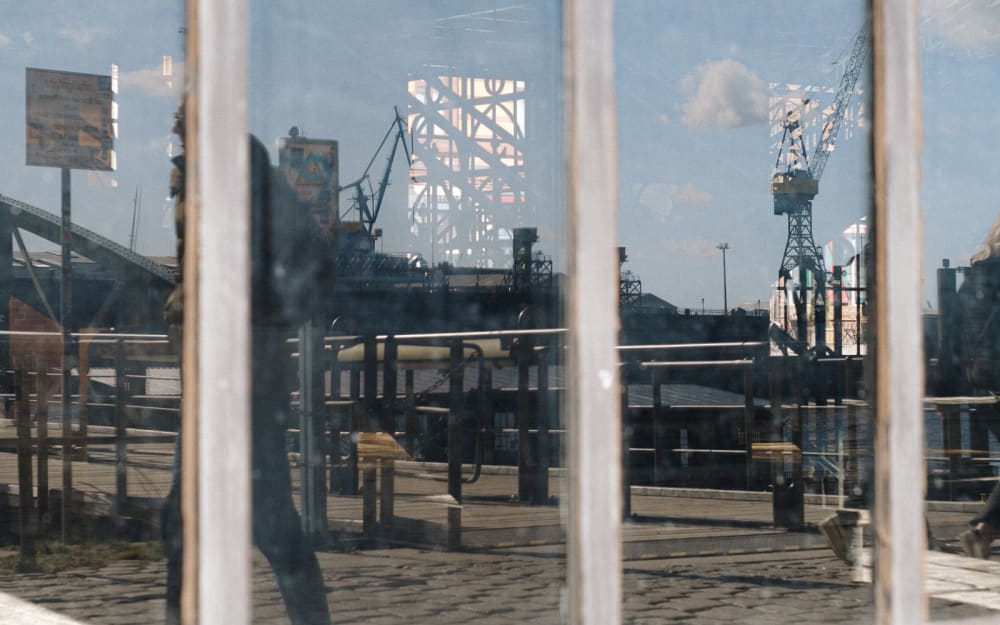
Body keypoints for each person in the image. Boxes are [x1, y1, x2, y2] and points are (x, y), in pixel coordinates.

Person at [162, 103, 333, 624]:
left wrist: (253, 325)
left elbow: (305, 264)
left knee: (268, 522)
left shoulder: (240, 171)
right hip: (216, 373)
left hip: (243, 379)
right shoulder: (210, 171)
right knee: (187, 520)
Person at [954, 216, 1000, 559]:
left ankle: (985, 530)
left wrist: (946, 385)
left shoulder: (973, 277)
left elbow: (951, 336)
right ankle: (984, 529)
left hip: (977, 382)